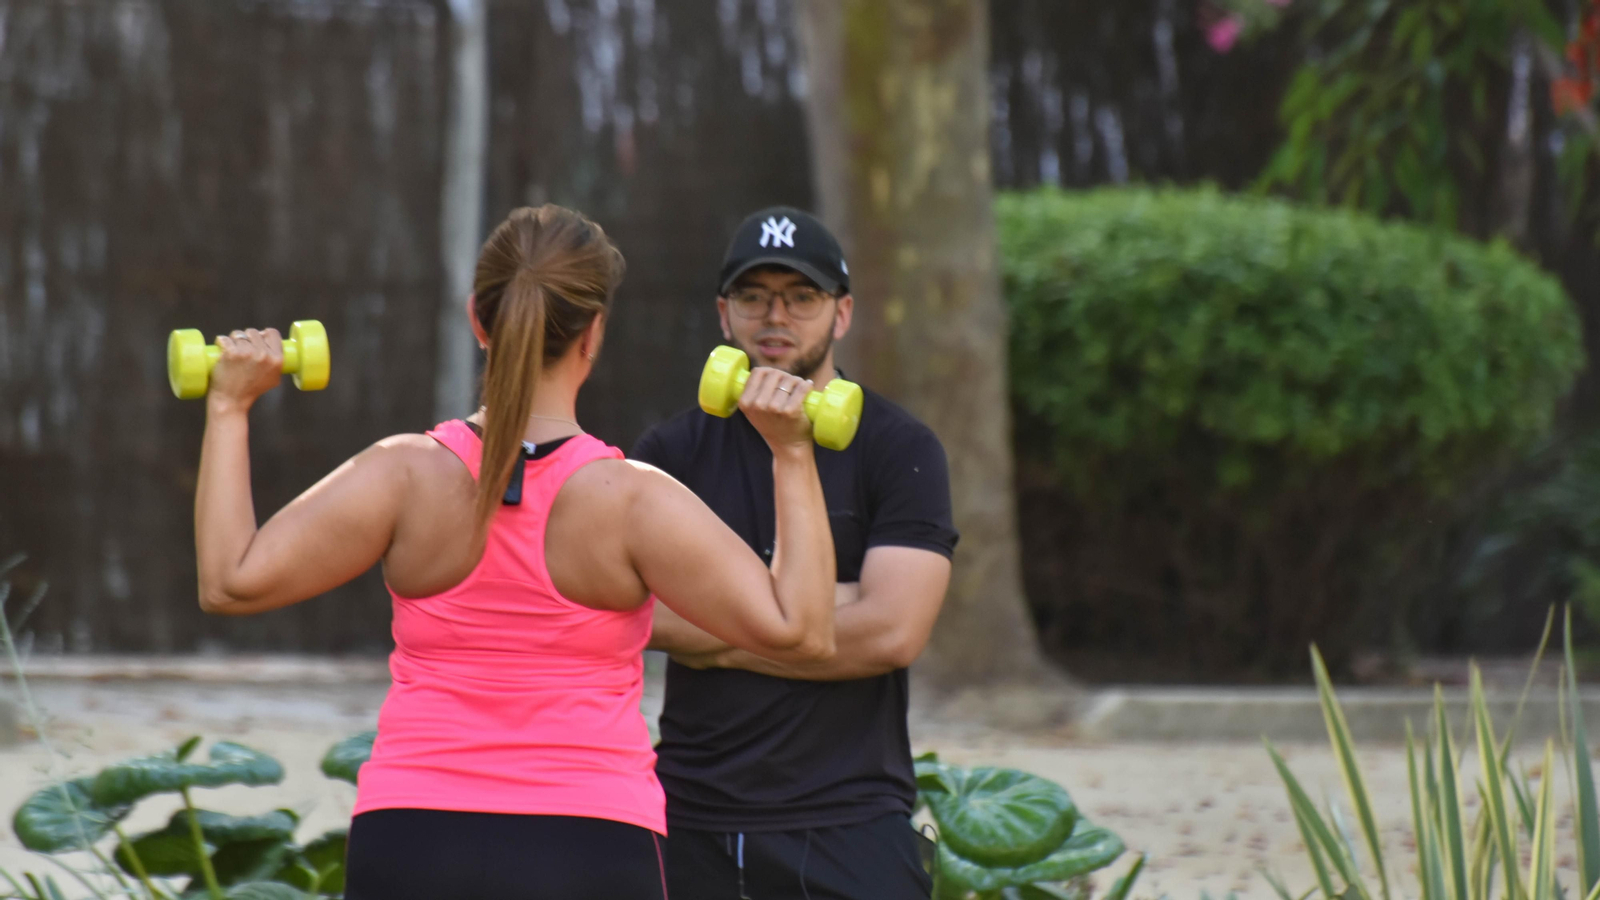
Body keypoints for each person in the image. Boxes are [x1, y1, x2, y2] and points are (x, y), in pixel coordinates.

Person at [190, 204, 838, 900]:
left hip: (413, 836)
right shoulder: (632, 500)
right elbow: (801, 631)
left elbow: (230, 581)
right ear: (594, 333)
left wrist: (229, 407)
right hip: (589, 842)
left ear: (479, 319)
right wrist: (791, 451)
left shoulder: (402, 474)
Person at [636, 206, 960, 900]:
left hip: (850, 813)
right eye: (753, 296)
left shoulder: (900, 448)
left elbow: (894, 631)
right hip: (692, 811)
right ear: (723, 315)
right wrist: (810, 613)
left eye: (802, 296)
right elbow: (640, 616)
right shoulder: (671, 453)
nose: (775, 316)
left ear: (843, 314)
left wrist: (719, 623)